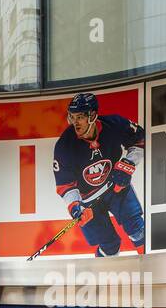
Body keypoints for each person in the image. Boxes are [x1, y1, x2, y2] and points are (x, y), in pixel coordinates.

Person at [51, 93, 146, 257]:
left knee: (138, 231)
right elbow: (65, 185)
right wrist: (75, 207)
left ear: (93, 115)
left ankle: (152, 271)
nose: (75, 123)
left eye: (79, 117)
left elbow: (140, 140)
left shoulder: (114, 124)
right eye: (72, 117)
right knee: (110, 246)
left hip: (116, 187)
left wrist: (128, 164)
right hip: (88, 202)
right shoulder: (64, 146)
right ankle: (104, 281)